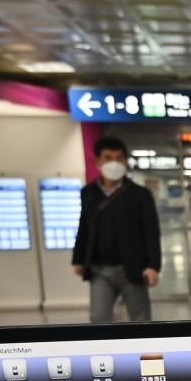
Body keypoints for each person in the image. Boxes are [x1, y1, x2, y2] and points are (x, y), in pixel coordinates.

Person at [71, 136, 161, 322]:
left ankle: (145, 351)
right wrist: (78, 259)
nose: (114, 163)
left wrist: (153, 266)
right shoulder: (88, 194)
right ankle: (106, 351)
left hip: (132, 267)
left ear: (126, 161)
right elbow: (85, 227)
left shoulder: (140, 195)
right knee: (99, 318)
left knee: (141, 318)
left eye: (119, 158)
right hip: (100, 269)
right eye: (108, 157)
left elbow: (151, 231)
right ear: (97, 161)